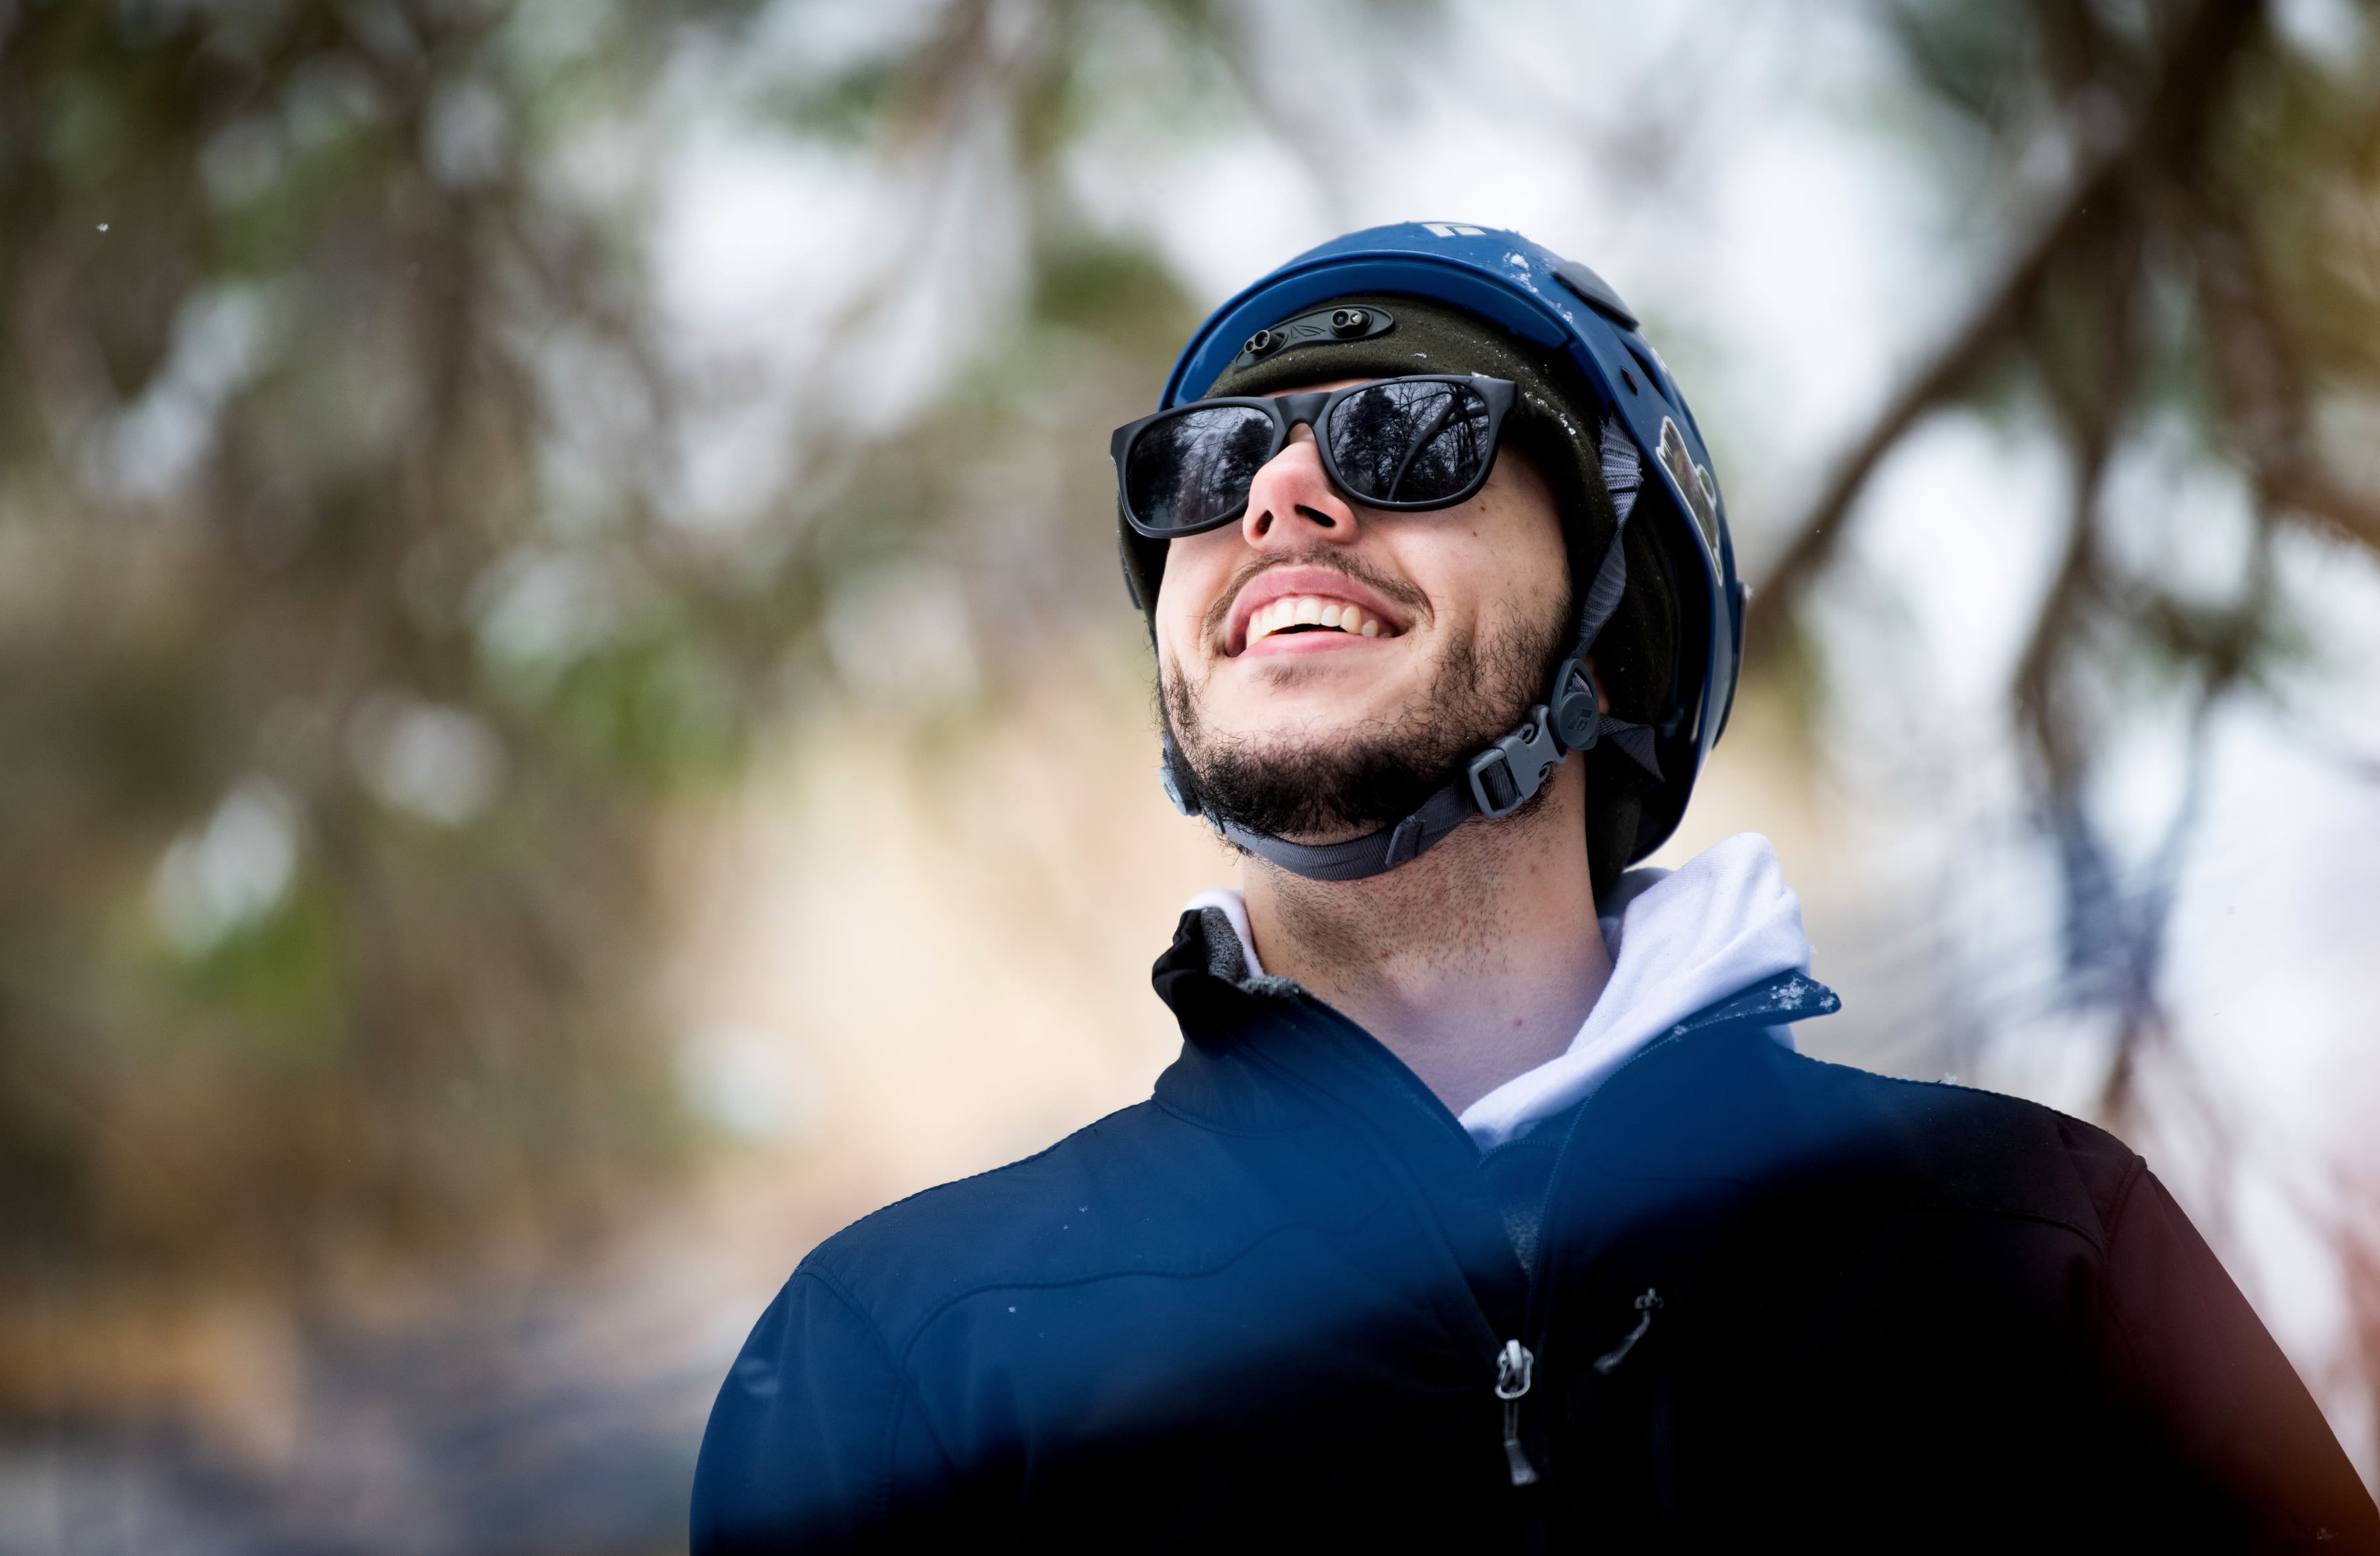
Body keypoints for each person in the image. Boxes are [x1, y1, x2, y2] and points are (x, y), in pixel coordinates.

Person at [690, 223, 2378, 1551]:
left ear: (1611, 611)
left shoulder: (2032, 1251)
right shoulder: (906, 1356)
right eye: (1206, 469)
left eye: (1404, 434)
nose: (1280, 490)